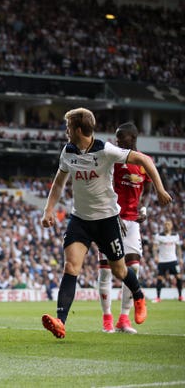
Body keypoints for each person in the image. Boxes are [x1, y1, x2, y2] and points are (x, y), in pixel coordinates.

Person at [40, 107, 172, 339]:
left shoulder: (105, 150)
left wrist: (160, 189)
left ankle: (139, 295)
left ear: (78, 130)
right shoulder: (67, 151)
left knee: (119, 270)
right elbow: (59, 183)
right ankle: (60, 321)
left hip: (107, 220)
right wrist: (48, 209)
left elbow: (143, 159)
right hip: (79, 219)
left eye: (68, 127)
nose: (66, 131)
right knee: (71, 267)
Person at [97, 122, 152, 334]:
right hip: (110, 218)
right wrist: (112, 210)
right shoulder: (114, 159)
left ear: (133, 138)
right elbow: (105, 185)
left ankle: (123, 319)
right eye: (116, 137)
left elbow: (147, 187)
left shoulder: (144, 162)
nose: (117, 141)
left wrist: (144, 207)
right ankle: (107, 319)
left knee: (134, 268)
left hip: (132, 221)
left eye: (121, 137)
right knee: (106, 271)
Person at [152, 220, 182, 302]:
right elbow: (154, 247)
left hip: (173, 260)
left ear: (171, 226)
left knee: (178, 277)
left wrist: (180, 258)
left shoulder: (175, 236)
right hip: (162, 261)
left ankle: (180, 296)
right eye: (165, 224)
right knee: (159, 278)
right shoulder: (158, 236)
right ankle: (158, 297)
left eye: (168, 224)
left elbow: (178, 248)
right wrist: (155, 256)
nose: (166, 226)